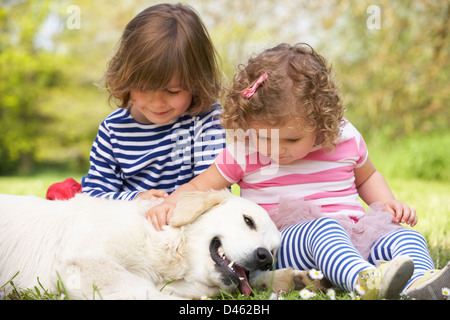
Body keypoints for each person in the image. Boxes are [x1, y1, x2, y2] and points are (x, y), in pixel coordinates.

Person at [146, 43, 449, 299]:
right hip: (285, 242)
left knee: (402, 236)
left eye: (292, 139)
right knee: (324, 230)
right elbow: (202, 186)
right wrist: (173, 200)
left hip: (356, 231)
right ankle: (363, 281)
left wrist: (386, 205)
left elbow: (367, 176)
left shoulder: (344, 138)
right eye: (265, 137)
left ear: (321, 122)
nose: (277, 149)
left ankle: (421, 283)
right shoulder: (245, 149)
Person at [81, 3, 225, 202]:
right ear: (127, 78)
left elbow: (212, 190)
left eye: (173, 91)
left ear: (197, 81)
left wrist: (170, 206)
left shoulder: (206, 120)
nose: (157, 103)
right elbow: (93, 197)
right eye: (145, 88)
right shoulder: (113, 129)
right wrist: (136, 200)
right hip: (131, 225)